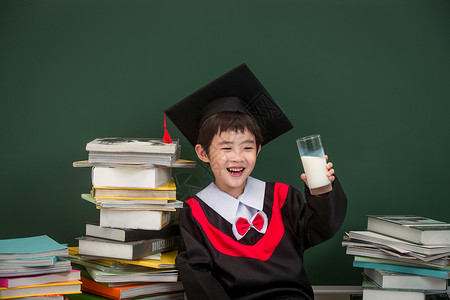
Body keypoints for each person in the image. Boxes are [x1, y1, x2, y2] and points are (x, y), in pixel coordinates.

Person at [165, 64, 347, 300]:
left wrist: (321, 192)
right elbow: (199, 280)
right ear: (203, 153)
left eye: (247, 147)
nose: (237, 157)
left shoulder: (282, 198)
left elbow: (321, 228)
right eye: (226, 147)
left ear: (258, 150)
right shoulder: (195, 213)